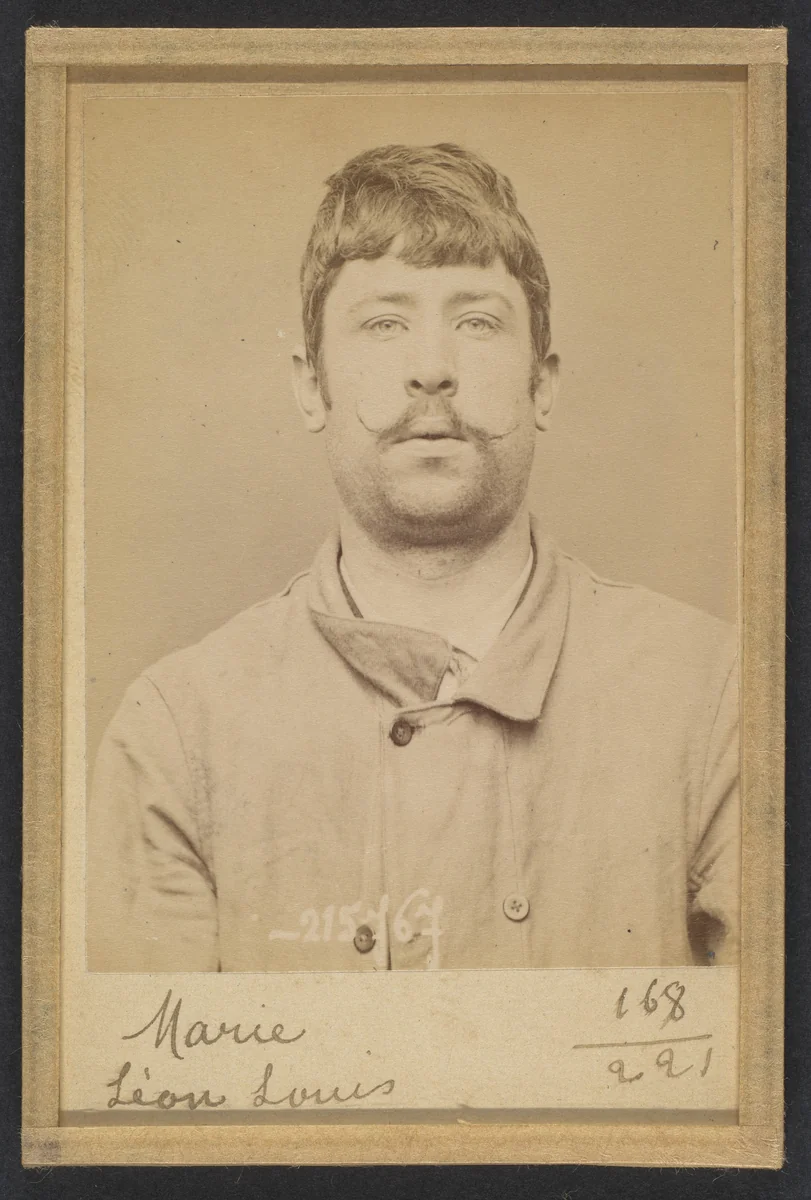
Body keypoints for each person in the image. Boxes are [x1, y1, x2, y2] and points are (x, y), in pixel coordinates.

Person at [87, 143, 739, 973]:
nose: (431, 369)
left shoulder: (717, 694)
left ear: (542, 384)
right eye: (384, 324)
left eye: (476, 323)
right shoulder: (175, 731)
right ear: (310, 386)